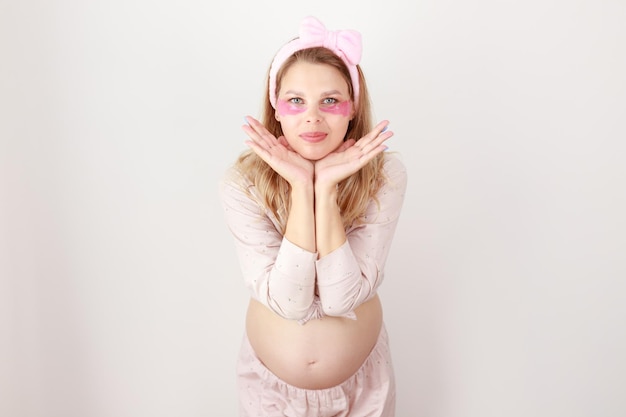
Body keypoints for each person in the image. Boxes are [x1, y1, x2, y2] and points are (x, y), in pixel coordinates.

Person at [219, 16, 407, 417]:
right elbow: (290, 303)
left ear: (352, 109)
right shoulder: (242, 183)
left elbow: (342, 299)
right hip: (272, 396)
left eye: (330, 100)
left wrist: (326, 189)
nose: (312, 117)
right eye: (296, 100)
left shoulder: (385, 175)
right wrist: (302, 188)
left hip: (364, 391)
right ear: (276, 107)